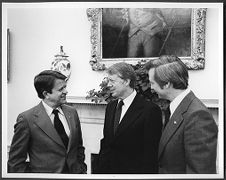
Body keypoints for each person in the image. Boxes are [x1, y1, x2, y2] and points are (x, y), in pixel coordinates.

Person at [145, 55, 218, 174]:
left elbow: (200, 172)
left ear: (167, 84)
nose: (151, 88)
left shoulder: (197, 116)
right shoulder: (176, 108)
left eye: (152, 83)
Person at [8, 70, 87, 173]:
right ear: (46, 94)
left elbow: (78, 147)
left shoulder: (72, 112)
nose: (66, 91)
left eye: (65, 87)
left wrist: (81, 169)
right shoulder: (26, 119)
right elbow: (15, 162)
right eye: (61, 89)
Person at [96, 62, 162, 174]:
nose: (108, 85)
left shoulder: (150, 110)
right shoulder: (111, 107)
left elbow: (150, 154)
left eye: (112, 81)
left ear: (126, 81)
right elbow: (107, 143)